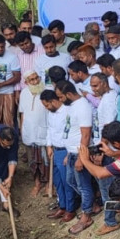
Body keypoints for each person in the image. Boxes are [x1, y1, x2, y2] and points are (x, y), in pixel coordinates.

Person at [56, 80, 97, 234]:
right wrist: (69, 152)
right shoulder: (72, 106)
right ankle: (93, 205)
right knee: (71, 181)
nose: (60, 100)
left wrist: (81, 158)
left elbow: (86, 134)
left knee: (83, 186)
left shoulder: (82, 107)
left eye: (60, 97)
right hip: (72, 152)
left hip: (80, 153)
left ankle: (86, 216)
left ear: (68, 94)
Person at [88, 73, 119, 235]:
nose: (93, 89)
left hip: (106, 148)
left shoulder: (109, 100)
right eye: (91, 86)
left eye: (96, 85)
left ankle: (111, 221)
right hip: (103, 146)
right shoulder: (107, 98)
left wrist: (100, 150)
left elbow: (107, 128)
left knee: (107, 188)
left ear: (105, 83)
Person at [43, 90, 77, 222]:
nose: (46, 108)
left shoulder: (67, 111)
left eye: (47, 105)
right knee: (58, 181)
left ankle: (70, 209)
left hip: (65, 150)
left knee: (66, 181)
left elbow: (72, 132)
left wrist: (69, 153)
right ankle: (62, 205)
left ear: (54, 101)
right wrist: (48, 146)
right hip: (55, 150)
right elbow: (49, 130)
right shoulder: (50, 113)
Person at [19, 71, 50, 196]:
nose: (36, 81)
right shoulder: (24, 93)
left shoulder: (46, 91)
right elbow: (22, 113)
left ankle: (49, 183)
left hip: (44, 131)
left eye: (37, 78)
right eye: (32, 80)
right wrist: (22, 131)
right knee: (32, 161)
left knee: (46, 161)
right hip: (29, 133)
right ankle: (37, 183)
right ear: (26, 82)